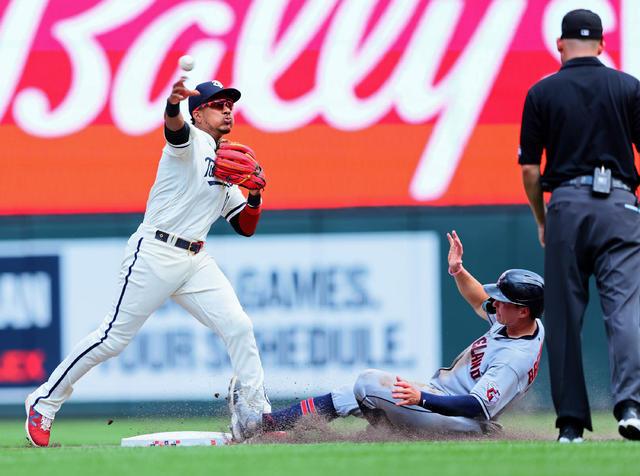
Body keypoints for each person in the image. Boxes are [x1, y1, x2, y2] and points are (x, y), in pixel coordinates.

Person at [24, 78, 271, 447]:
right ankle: (43, 402)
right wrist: (172, 106)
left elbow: (244, 226)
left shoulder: (226, 165)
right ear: (198, 112)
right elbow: (174, 129)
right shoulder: (191, 144)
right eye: (218, 104)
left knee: (238, 326)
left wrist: (253, 196)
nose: (227, 110)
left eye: (230, 104)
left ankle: (255, 412)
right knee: (112, 339)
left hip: (195, 260)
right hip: (154, 252)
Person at [227, 230, 545, 442]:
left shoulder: (514, 359)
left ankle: (396, 428)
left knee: (367, 383)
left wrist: (423, 399)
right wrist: (459, 270)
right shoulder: (518, 323)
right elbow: (479, 299)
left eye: (505, 301)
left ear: (523, 311)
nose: (496, 304)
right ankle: (259, 426)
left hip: (459, 420)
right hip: (441, 398)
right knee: (347, 393)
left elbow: (477, 406)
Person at [519, 9, 640, 442]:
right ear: (603, 45)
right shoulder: (629, 87)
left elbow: (531, 171)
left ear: (559, 45)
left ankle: (570, 424)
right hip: (621, 206)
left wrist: (542, 218)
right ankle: (631, 407)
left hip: (566, 206)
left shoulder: (542, 91)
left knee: (567, 318)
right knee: (625, 311)